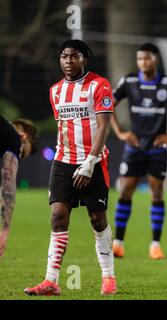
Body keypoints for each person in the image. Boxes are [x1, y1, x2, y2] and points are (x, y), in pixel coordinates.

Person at [25, 40, 117, 296]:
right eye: (64, 56)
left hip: (94, 162)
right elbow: (65, 127)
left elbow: (104, 127)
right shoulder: (55, 91)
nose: (68, 60)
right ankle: (51, 280)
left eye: (74, 56)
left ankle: (108, 277)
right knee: (57, 216)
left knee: (97, 219)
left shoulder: (100, 85)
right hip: (63, 161)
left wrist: (90, 162)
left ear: (84, 59)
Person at [111, 43, 167, 260]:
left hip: (157, 148)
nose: (143, 62)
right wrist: (120, 132)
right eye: (139, 59)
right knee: (125, 191)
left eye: (146, 58)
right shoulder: (129, 81)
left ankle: (155, 245)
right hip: (134, 147)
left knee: (157, 193)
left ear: (155, 59)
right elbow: (106, 105)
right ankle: (118, 243)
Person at [0, 116, 38, 257]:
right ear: (24, 137)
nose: (19, 154)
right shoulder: (13, 140)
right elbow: (7, 186)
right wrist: (5, 231)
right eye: (22, 152)